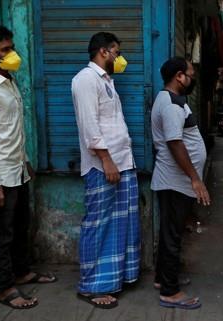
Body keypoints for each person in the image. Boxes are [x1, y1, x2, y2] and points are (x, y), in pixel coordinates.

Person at [0, 23, 56, 310]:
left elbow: (11, 131)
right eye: (4, 50)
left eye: (11, 47)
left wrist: (25, 161)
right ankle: (5, 287)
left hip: (16, 169)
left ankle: (21, 271)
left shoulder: (10, 81)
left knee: (19, 226)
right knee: (1, 233)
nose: (12, 54)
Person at [71, 32, 140, 309]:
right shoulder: (85, 80)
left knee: (120, 223)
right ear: (103, 52)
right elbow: (90, 127)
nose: (119, 58)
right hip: (104, 166)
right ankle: (90, 286)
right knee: (98, 224)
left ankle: (113, 278)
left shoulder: (106, 81)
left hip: (122, 163)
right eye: (116, 52)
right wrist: (107, 161)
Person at [151, 57, 211, 310]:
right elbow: (175, 143)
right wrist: (196, 179)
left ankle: (163, 278)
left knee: (171, 233)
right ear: (179, 76)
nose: (192, 78)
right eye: (190, 73)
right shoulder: (171, 105)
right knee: (173, 235)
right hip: (174, 182)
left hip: (176, 182)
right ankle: (170, 292)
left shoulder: (172, 101)